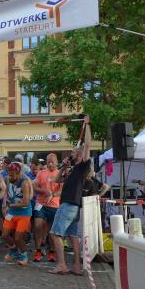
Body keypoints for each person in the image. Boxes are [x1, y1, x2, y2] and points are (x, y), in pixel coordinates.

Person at [49, 115, 91, 275]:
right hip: (72, 206)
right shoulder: (72, 169)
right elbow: (56, 180)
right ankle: (77, 267)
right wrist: (63, 167)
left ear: (79, 154)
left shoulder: (83, 166)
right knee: (73, 236)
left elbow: (87, 144)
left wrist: (87, 125)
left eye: (73, 151)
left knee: (55, 233)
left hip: (68, 204)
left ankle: (62, 265)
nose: (71, 153)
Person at [33, 153, 61, 262]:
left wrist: (53, 194)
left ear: (56, 162)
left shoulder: (60, 174)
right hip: (41, 204)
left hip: (54, 205)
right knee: (37, 225)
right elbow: (35, 187)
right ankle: (38, 250)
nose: (50, 164)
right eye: (48, 162)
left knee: (51, 230)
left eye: (52, 162)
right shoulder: (41, 173)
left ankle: (52, 252)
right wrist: (44, 191)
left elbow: (62, 190)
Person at [3, 162, 33, 265]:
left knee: (18, 237)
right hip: (11, 212)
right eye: (9, 173)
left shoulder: (24, 183)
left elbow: (25, 202)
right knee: (5, 235)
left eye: (12, 174)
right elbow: (6, 193)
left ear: (18, 173)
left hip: (24, 213)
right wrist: (5, 205)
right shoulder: (8, 179)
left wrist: (10, 206)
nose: (10, 176)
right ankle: (14, 250)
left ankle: (24, 255)